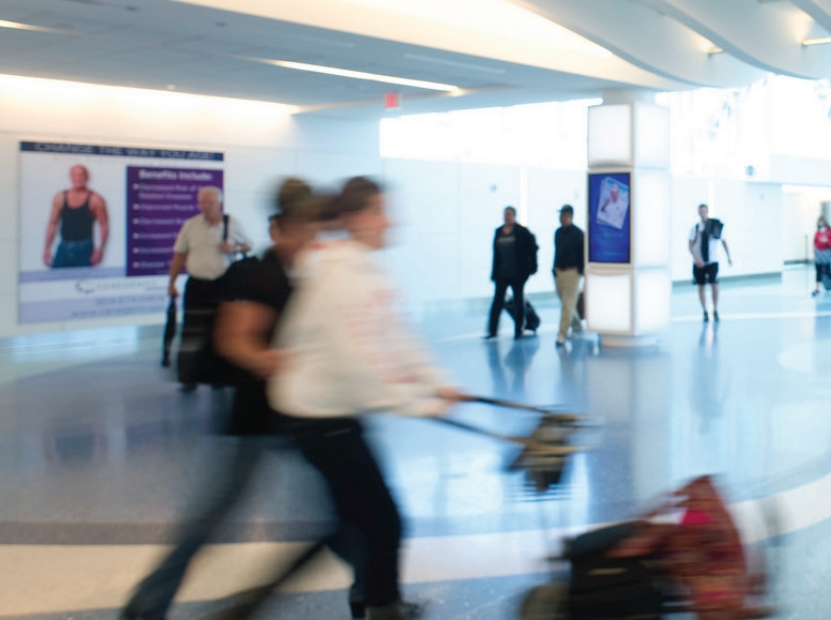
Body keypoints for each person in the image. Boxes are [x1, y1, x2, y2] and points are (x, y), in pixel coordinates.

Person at [121, 179, 320, 620]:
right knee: (216, 511)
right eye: (306, 225)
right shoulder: (259, 274)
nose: (313, 236)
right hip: (259, 413)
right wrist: (272, 359)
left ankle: (376, 592)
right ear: (282, 226)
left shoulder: (311, 272)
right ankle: (147, 603)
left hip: (305, 412)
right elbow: (234, 339)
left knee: (353, 508)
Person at [270, 176, 463, 620]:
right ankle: (381, 608)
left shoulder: (365, 269)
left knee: (359, 523)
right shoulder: (340, 276)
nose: (389, 220)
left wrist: (438, 382)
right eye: (379, 211)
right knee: (381, 522)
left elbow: (397, 336)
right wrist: (424, 404)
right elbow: (361, 369)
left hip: (333, 414)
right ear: (355, 219)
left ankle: (373, 600)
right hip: (316, 417)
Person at [169, 186, 252, 389]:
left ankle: (219, 376)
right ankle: (189, 377)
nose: (205, 206)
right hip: (197, 284)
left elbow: (248, 245)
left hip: (223, 285)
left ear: (219, 203)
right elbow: (180, 255)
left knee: (221, 333)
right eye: (202, 202)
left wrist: (234, 248)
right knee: (191, 333)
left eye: (210, 203)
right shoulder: (190, 226)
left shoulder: (232, 223)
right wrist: (171, 282)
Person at [486, 206, 538, 340]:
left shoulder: (522, 232)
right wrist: (494, 273)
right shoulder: (498, 232)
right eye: (505, 214)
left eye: (509, 214)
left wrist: (532, 267)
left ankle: (519, 329)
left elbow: (533, 248)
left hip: (518, 273)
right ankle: (492, 330)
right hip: (501, 273)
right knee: (498, 301)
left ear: (514, 216)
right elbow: (495, 255)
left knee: (518, 300)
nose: (507, 217)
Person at [43, 164, 109, 268]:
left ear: (86, 177)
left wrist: (100, 249)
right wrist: (46, 248)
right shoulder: (60, 198)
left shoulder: (95, 199)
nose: (78, 178)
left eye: (81, 175)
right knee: (56, 281)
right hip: (64, 247)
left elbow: (103, 224)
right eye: (75, 175)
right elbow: (53, 223)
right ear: (70, 177)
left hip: (85, 248)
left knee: (83, 282)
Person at [689, 204, 732, 322]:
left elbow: (723, 241)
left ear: (707, 212)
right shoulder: (695, 228)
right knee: (701, 286)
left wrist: (728, 256)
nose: (702, 213)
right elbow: (691, 245)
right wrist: (697, 259)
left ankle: (715, 309)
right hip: (699, 261)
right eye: (700, 212)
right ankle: (704, 311)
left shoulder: (715, 226)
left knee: (714, 285)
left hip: (712, 260)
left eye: (704, 211)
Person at [553, 205, 584, 347]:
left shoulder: (578, 234)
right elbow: (557, 251)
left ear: (570, 216)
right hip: (559, 271)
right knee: (566, 303)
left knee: (567, 304)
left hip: (573, 272)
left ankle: (562, 334)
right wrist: (554, 269)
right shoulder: (558, 233)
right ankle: (577, 326)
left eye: (564, 215)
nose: (562, 218)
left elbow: (583, 254)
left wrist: (582, 270)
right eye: (560, 215)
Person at [813, 216, 831, 297]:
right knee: (818, 271)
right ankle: (817, 289)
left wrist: (827, 240)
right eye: (819, 222)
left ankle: (828, 286)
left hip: (826, 254)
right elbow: (815, 241)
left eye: (822, 222)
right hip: (819, 254)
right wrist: (815, 249)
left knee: (826, 271)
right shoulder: (817, 232)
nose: (821, 224)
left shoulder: (829, 232)